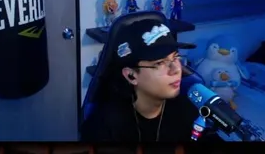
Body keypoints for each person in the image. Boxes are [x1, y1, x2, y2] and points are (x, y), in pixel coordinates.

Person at [81, 18, 218, 143]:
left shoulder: (188, 109)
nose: (176, 69)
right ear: (131, 76)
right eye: (160, 63)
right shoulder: (104, 127)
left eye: (175, 57)